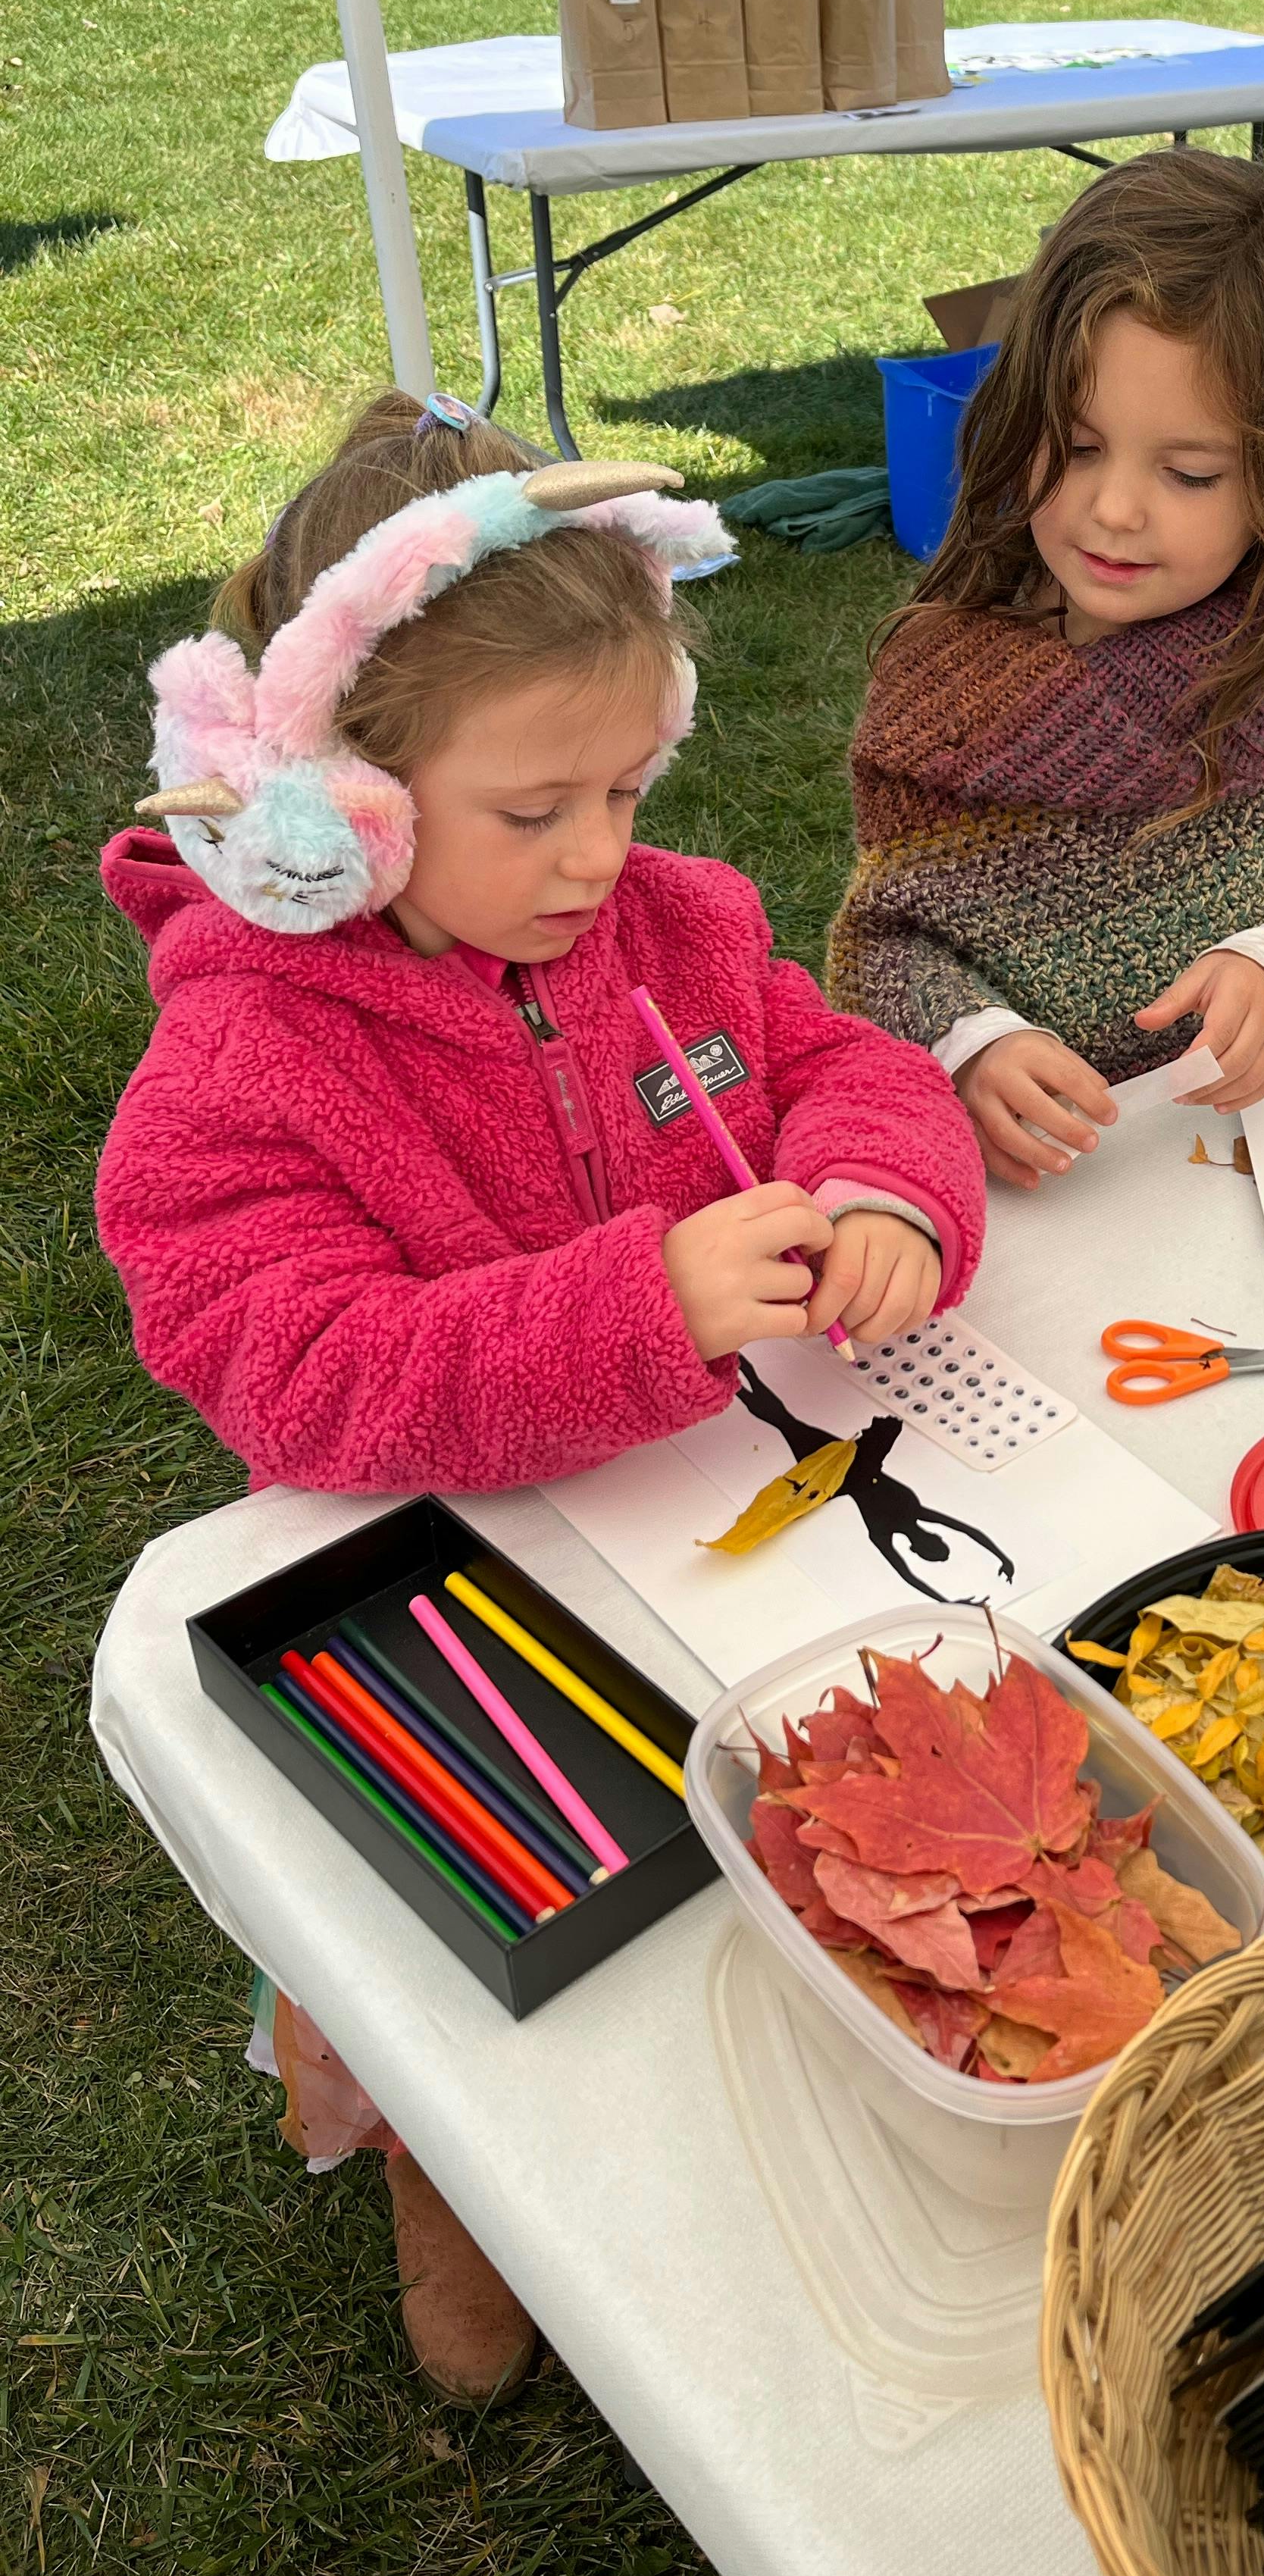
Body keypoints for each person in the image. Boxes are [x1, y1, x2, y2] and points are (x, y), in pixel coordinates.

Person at [96, 391, 983, 2396]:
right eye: (535, 813)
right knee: (478, 2009)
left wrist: (878, 1182)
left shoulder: (678, 927)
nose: (600, 856)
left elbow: (838, 1062)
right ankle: (445, 2180)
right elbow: (306, 1375)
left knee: (725, 1953)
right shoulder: (244, 1063)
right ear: (338, 802)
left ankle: (687, 2177)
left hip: (698, 1552)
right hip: (433, 1612)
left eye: (626, 787)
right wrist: (630, 1309)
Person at [827, 148, 1264, 1188]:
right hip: (1069, 1192)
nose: (1115, 509)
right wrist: (975, 1045)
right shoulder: (950, 692)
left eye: (1190, 472)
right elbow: (892, 945)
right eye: (1076, 443)